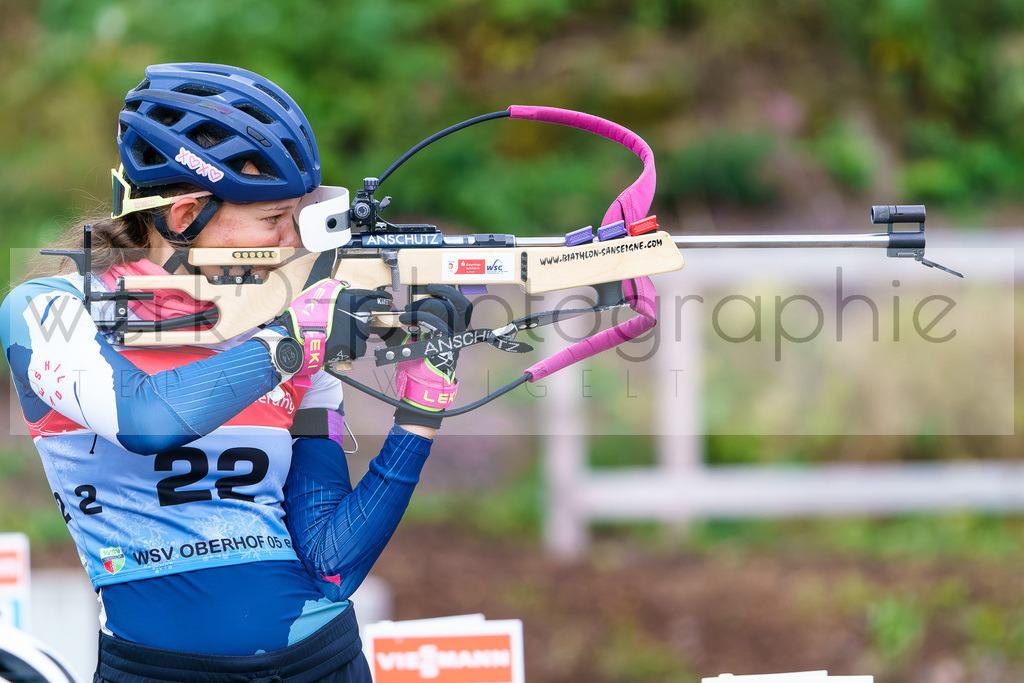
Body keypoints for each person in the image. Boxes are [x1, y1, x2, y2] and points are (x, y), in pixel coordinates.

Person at [0, 63, 470, 682]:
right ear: (185, 215)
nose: (292, 242)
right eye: (274, 219)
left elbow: (331, 564)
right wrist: (292, 341)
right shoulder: (47, 309)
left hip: (324, 662)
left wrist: (419, 416)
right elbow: (143, 419)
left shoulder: (281, 325)